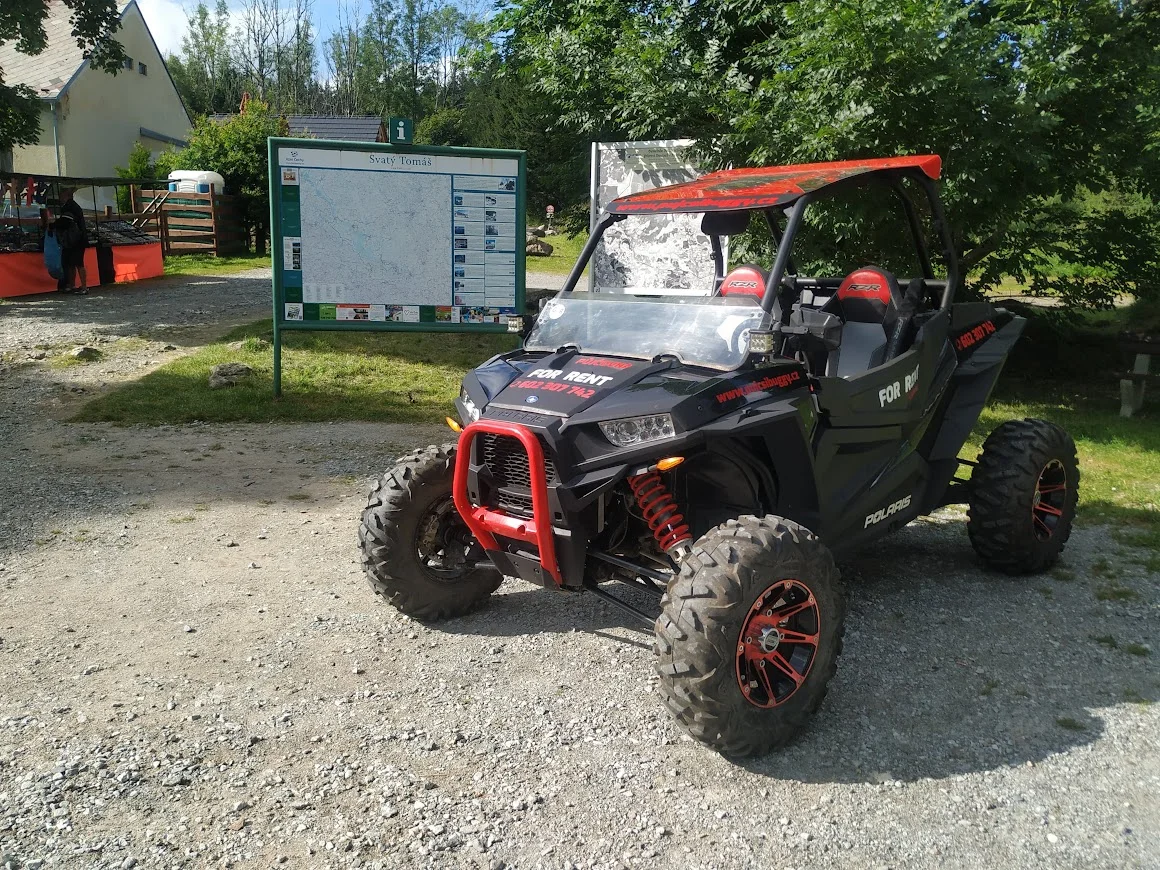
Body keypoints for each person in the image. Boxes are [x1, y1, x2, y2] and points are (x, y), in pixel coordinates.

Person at [55, 187, 88, 294]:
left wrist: (52, 226)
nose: (59, 197)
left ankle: (83, 287)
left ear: (66, 195)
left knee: (78, 263)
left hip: (75, 239)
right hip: (77, 238)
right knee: (72, 263)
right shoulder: (74, 206)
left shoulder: (69, 207)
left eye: (61, 195)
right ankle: (73, 285)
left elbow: (65, 222)